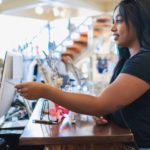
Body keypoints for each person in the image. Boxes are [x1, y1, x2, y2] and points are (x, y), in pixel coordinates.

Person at [15, 0, 150, 149]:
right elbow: (110, 106)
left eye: (119, 21)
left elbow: (99, 104)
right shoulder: (128, 61)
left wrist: (45, 91)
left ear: (139, 21)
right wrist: (107, 114)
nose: (112, 28)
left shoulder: (144, 61)